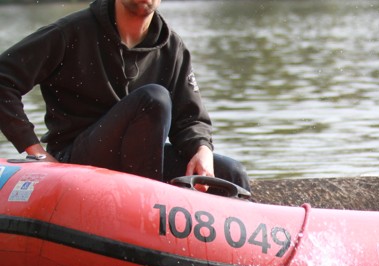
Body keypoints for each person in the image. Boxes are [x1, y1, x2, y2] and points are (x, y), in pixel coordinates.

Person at [0, 0, 249, 191]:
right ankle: (149, 206)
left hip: (144, 160)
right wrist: (36, 151)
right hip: (77, 161)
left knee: (231, 173)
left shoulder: (172, 47)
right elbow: (3, 79)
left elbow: (190, 119)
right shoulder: (70, 33)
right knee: (154, 99)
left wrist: (202, 149)